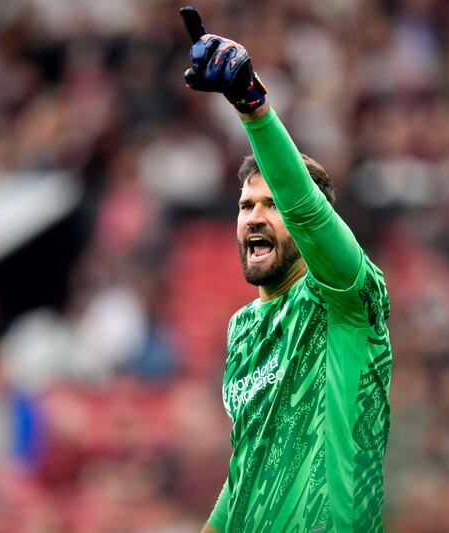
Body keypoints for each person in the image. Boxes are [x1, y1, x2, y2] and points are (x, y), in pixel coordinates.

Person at [180, 7, 393, 532]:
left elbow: (309, 212)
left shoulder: (344, 297)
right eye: (246, 206)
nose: (255, 216)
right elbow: (247, 471)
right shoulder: (242, 329)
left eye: (273, 205)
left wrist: (252, 107)